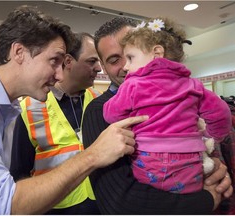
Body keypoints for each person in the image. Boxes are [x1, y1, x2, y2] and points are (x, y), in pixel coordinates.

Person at [0, 6, 147, 214]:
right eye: (54, 61)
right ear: (19, 52)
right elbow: (0, 205)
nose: (60, 75)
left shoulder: (5, 109)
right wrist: (93, 155)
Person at [82, 17, 233, 214]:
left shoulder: (187, 92)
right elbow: (120, 203)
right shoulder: (97, 110)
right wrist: (206, 200)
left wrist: (217, 171)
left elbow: (214, 144)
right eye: (114, 59)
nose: (126, 66)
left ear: (154, 50)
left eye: (130, 55)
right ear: (103, 65)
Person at [10, 32, 102, 214]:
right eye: (91, 61)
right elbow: (19, 174)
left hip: (99, 206)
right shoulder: (29, 109)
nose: (99, 68)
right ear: (68, 61)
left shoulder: (99, 103)